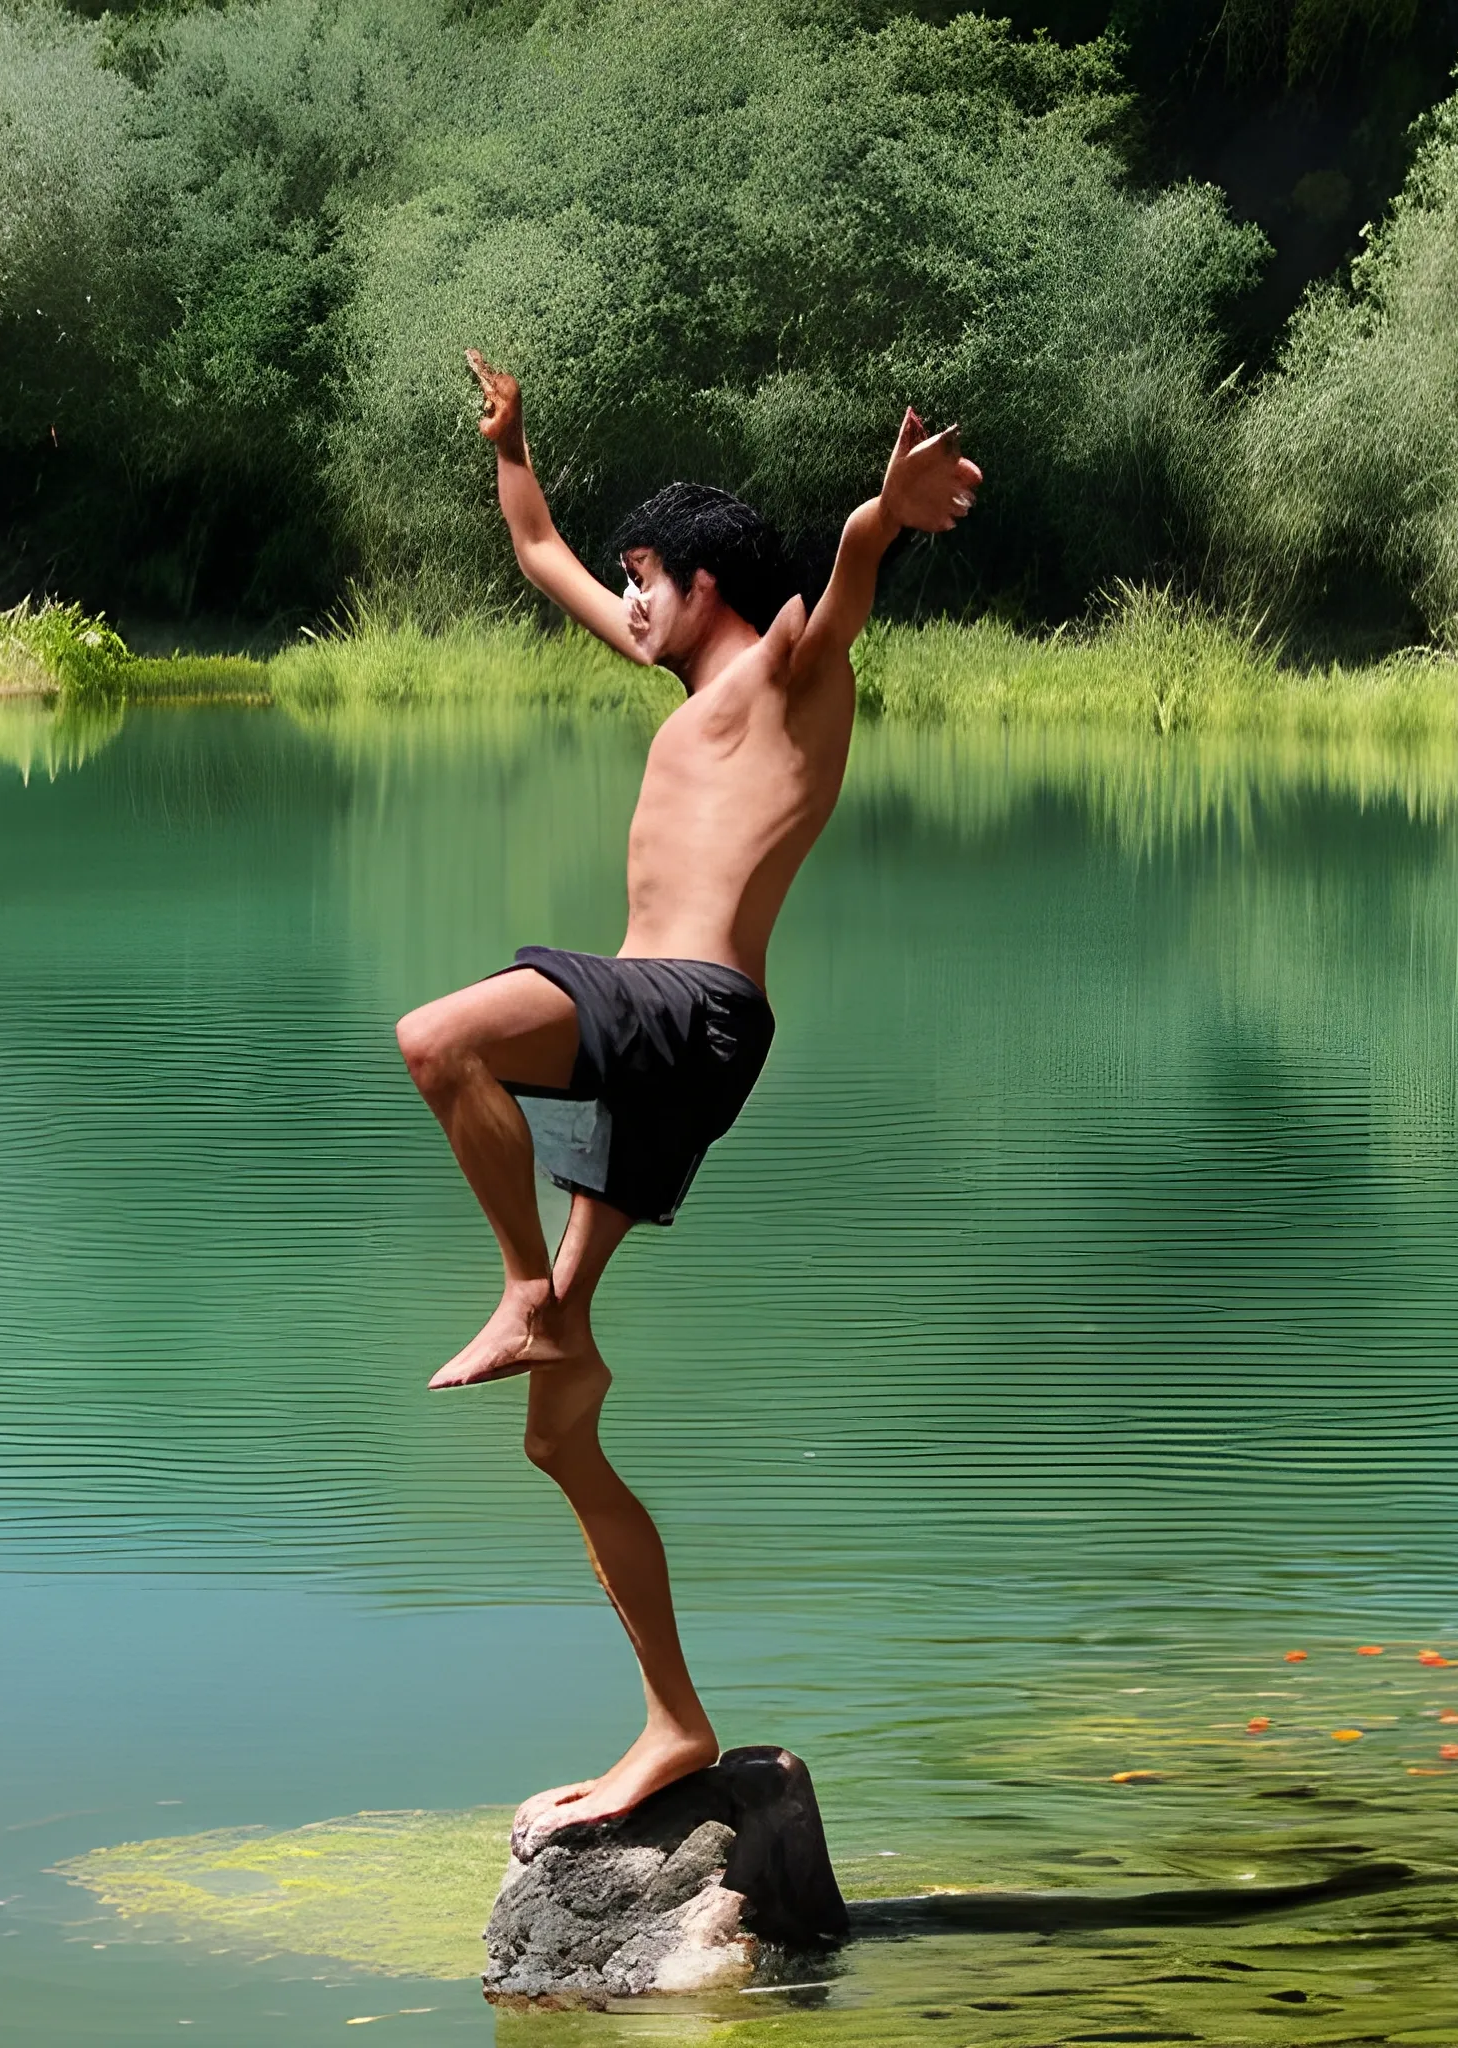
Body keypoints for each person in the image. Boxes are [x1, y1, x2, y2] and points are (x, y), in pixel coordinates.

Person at [396, 350, 981, 1851]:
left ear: (712, 582)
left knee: (440, 1038)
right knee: (557, 1434)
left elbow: (847, 574)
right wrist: (512, 446)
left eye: (648, 577)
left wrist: (886, 512)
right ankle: (675, 1720)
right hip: (674, 1039)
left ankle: (527, 1288)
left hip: (693, 1010)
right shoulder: (680, 668)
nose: (629, 600)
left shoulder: (792, 673)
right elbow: (540, 554)